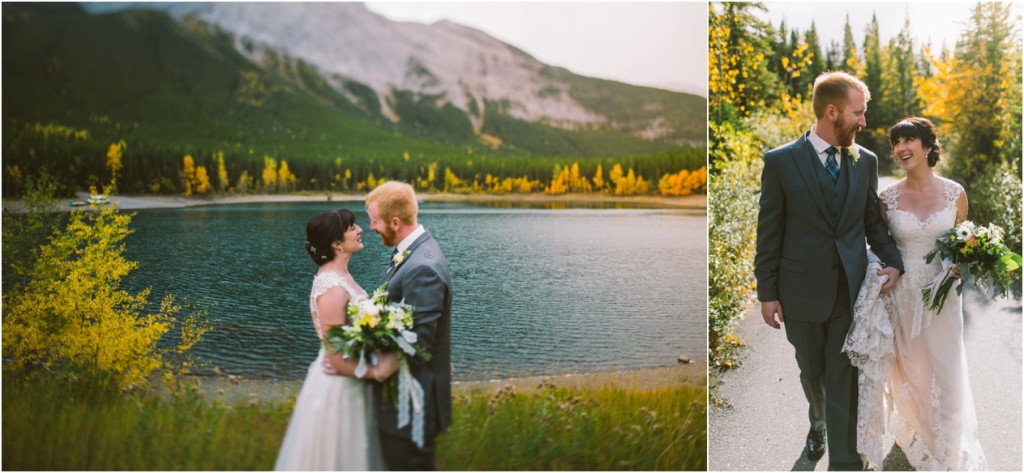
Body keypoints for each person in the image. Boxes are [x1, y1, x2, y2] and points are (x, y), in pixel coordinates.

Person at [754, 71, 905, 470]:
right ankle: (817, 422)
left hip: (850, 292)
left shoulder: (865, 161)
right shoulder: (780, 162)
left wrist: (893, 262)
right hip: (799, 291)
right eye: (858, 113)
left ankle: (845, 461)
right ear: (832, 111)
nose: (864, 122)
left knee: (844, 378)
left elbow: (873, 224)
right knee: (812, 373)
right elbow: (768, 232)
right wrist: (766, 291)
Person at [853, 117, 986, 470]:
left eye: (909, 140)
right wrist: (879, 272)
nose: (901, 149)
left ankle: (947, 445)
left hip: (943, 295)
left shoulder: (955, 193)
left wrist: (959, 267)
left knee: (946, 367)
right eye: (896, 142)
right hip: (904, 295)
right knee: (911, 369)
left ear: (928, 146)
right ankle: (914, 426)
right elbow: (880, 244)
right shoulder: (887, 198)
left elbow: (961, 243)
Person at [275, 209, 396, 471]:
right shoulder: (332, 288)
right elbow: (335, 355)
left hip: (351, 380)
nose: (360, 230)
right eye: (352, 228)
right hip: (338, 387)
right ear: (336, 243)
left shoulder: (340, 277)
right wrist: (378, 371)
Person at [365, 181, 452, 471]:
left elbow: (417, 342)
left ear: (395, 222)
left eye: (374, 221)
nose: (371, 228)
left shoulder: (422, 266)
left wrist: (364, 344)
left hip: (411, 406)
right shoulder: (413, 250)